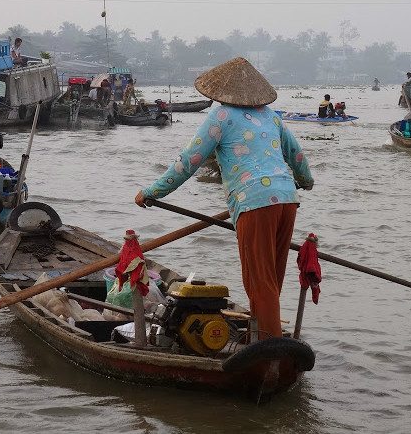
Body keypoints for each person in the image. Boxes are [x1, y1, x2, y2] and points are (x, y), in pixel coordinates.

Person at [134, 57, 313, 341]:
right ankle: (261, 335)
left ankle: (270, 353)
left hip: (254, 203)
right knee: (270, 280)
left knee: (259, 282)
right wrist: (306, 182)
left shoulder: (221, 116)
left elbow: (188, 161)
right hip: (288, 200)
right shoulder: (270, 115)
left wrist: (152, 191)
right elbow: (298, 156)